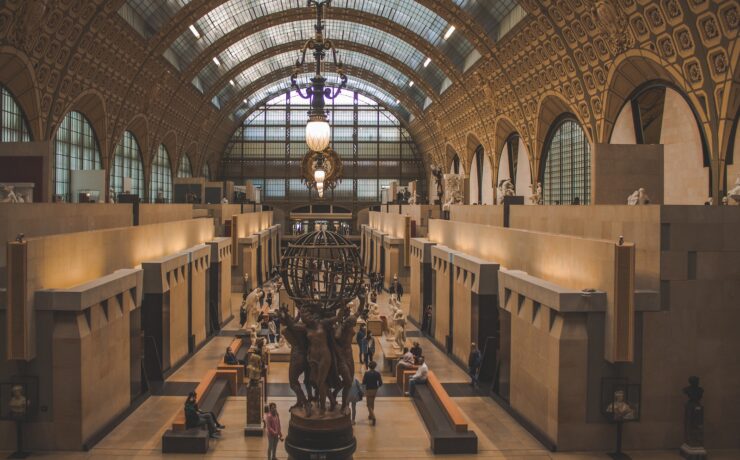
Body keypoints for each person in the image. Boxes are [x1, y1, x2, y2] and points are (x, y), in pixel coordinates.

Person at [361, 361, 383, 425]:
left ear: (369, 366)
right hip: (375, 390)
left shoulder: (366, 373)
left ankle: (373, 417)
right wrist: (377, 387)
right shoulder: (377, 373)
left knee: (368, 404)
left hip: (368, 390)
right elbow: (380, 383)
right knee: (372, 402)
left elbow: (364, 382)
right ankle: (370, 415)